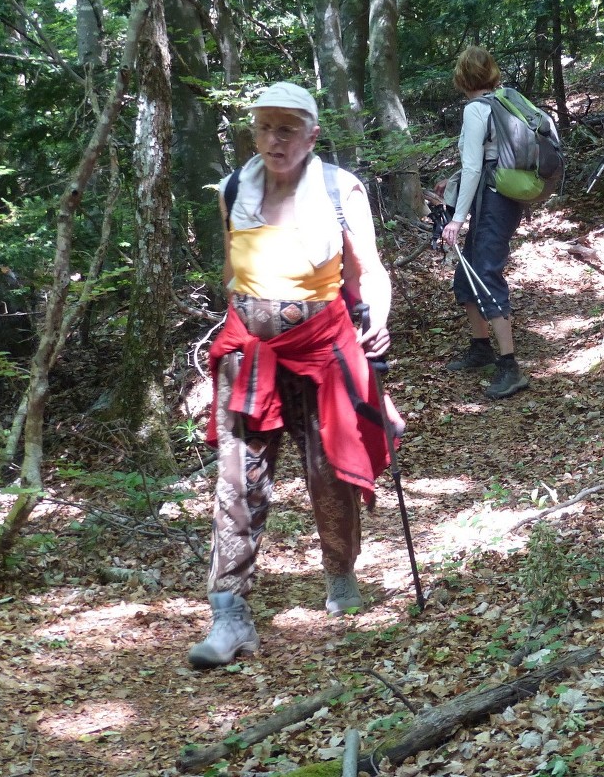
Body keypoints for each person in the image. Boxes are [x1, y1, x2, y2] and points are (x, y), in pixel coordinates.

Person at [190, 81, 400, 669]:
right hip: (248, 357)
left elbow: (370, 270)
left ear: (312, 133)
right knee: (237, 482)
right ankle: (228, 614)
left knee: (328, 470)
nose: (273, 138)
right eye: (264, 126)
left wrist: (376, 317)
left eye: (286, 127)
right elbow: (233, 270)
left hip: (322, 350)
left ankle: (340, 576)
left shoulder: (339, 189)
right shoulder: (235, 187)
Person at [440, 45, 531, 400]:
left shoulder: (477, 110)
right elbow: (481, 161)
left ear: (462, 78)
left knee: (486, 274)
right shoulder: (505, 99)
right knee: (466, 279)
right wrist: (452, 184)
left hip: (492, 200)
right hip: (502, 196)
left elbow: (476, 167)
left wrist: (456, 220)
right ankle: (481, 348)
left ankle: (510, 367)